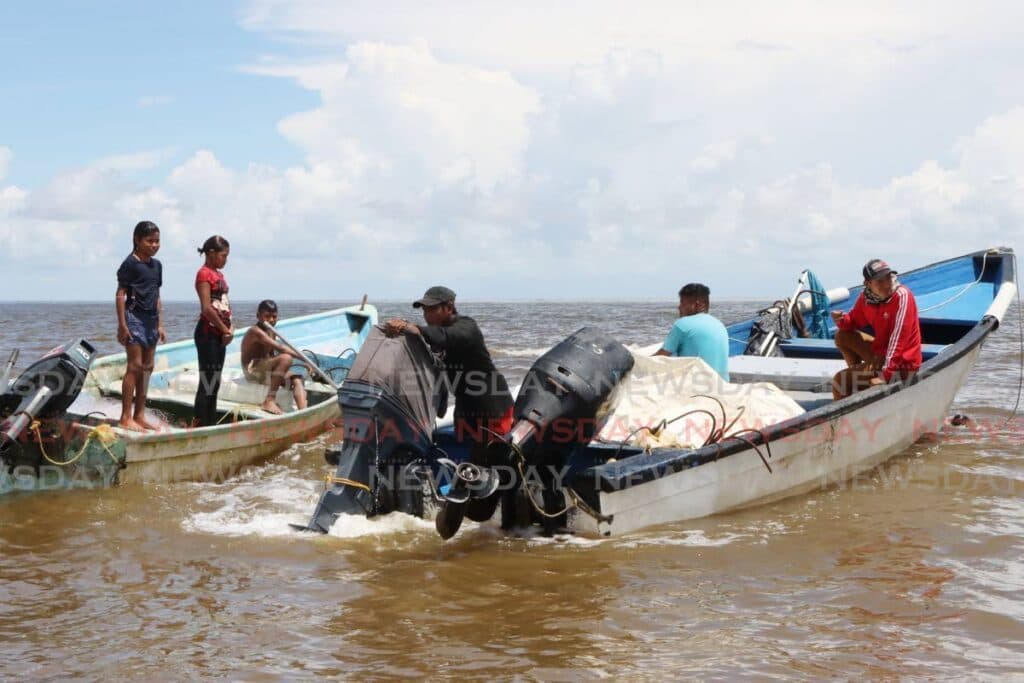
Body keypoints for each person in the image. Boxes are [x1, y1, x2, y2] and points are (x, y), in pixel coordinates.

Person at [384, 287, 514, 444]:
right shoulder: (436, 337)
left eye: (433, 309)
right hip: (464, 404)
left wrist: (415, 328)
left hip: (492, 405)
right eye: (425, 310)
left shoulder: (467, 326)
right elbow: (436, 370)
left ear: (449, 307)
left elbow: (446, 336)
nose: (427, 315)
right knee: (463, 452)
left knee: (494, 453)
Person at [831, 259, 922, 400]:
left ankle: (858, 384)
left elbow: (898, 340)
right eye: (880, 281)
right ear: (868, 284)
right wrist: (841, 320)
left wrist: (885, 375)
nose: (887, 284)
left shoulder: (902, 296)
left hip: (902, 364)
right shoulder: (866, 298)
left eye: (888, 278)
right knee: (842, 336)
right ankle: (860, 382)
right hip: (881, 355)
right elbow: (853, 321)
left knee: (839, 381)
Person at [115, 221, 166, 431]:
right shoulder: (130, 264)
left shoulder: (157, 265)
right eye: (149, 241)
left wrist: (160, 324)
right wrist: (122, 325)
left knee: (147, 367)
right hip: (134, 318)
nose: (154, 245)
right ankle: (125, 417)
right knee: (134, 366)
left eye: (157, 241)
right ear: (137, 240)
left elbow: (157, 295)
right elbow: (120, 294)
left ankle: (140, 414)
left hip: (151, 320)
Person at [240, 300, 309, 414]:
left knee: (297, 379)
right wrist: (306, 360)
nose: (271, 320)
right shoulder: (255, 331)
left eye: (274, 317)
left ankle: (304, 413)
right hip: (252, 371)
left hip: (265, 369)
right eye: (267, 316)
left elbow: (272, 355)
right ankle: (269, 401)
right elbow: (281, 348)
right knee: (286, 358)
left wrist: (284, 373)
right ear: (258, 316)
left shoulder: (271, 331)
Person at [193, 236, 233, 427]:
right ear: (211, 253)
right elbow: (207, 308)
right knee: (207, 380)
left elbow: (224, 304)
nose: (225, 260)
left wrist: (230, 328)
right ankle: (200, 421)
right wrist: (224, 329)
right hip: (207, 334)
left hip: (220, 335)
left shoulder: (220, 275)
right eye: (223, 255)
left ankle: (211, 421)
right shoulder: (204, 274)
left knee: (215, 381)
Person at [654, 283, 730, 381]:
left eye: (682, 303)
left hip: (697, 386)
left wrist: (640, 363)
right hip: (722, 384)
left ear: (697, 304)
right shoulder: (719, 324)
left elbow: (660, 358)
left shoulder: (682, 324)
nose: (679, 307)